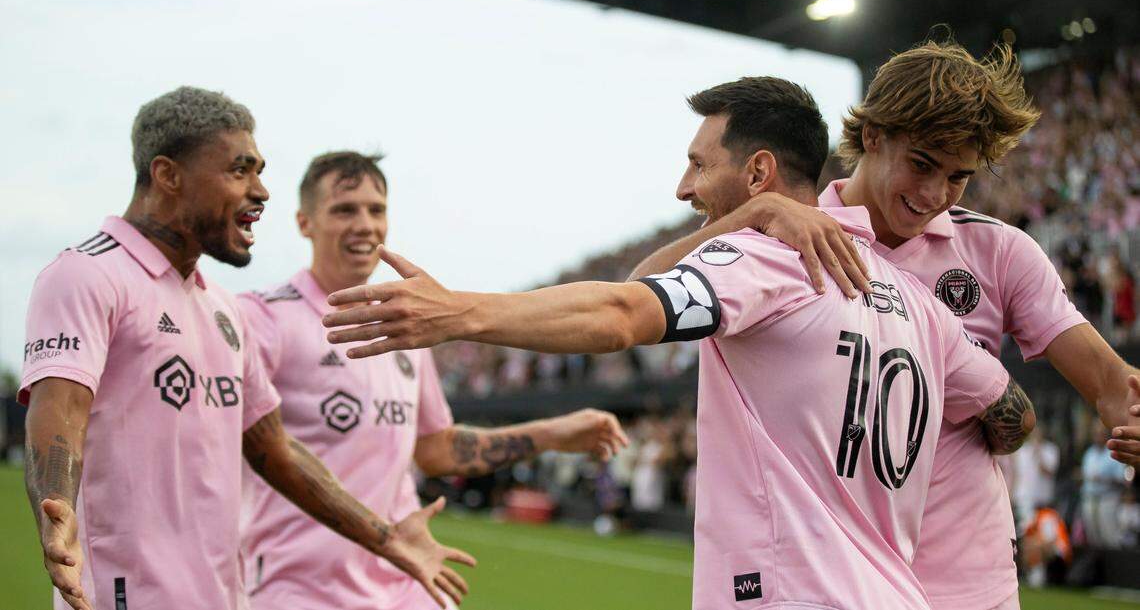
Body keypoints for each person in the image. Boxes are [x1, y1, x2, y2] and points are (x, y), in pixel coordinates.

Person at [321, 77, 1034, 610]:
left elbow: (625, 311)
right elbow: (1013, 413)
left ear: (756, 171)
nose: (683, 185)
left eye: (699, 163)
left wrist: (459, 312)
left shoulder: (768, 260)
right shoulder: (919, 304)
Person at [627, 41, 1140, 610]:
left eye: (958, 178)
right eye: (922, 164)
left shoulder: (999, 251)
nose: (934, 195)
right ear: (873, 135)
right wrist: (755, 213)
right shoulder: (783, 241)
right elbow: (637, 298)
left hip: (971, 585)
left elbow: (1115, 386)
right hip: (833, 584)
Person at [19, 88, 473, 610]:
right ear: (168, 175)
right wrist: (56, 516)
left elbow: (276, 452)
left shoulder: (223, 311)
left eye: (259, 171)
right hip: (125, 596)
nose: (261, 191)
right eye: (239, 171)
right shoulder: (89, 273)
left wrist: (387, 539)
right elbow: (60, 413)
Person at [238, 150, 628, 609]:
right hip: (297, 590)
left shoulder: (405, 326)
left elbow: (436, 449)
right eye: (345, 209)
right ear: (305, 222)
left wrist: (551, 434)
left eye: (376, 209)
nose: (364, 224)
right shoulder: (261, 317)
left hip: (409, 580)